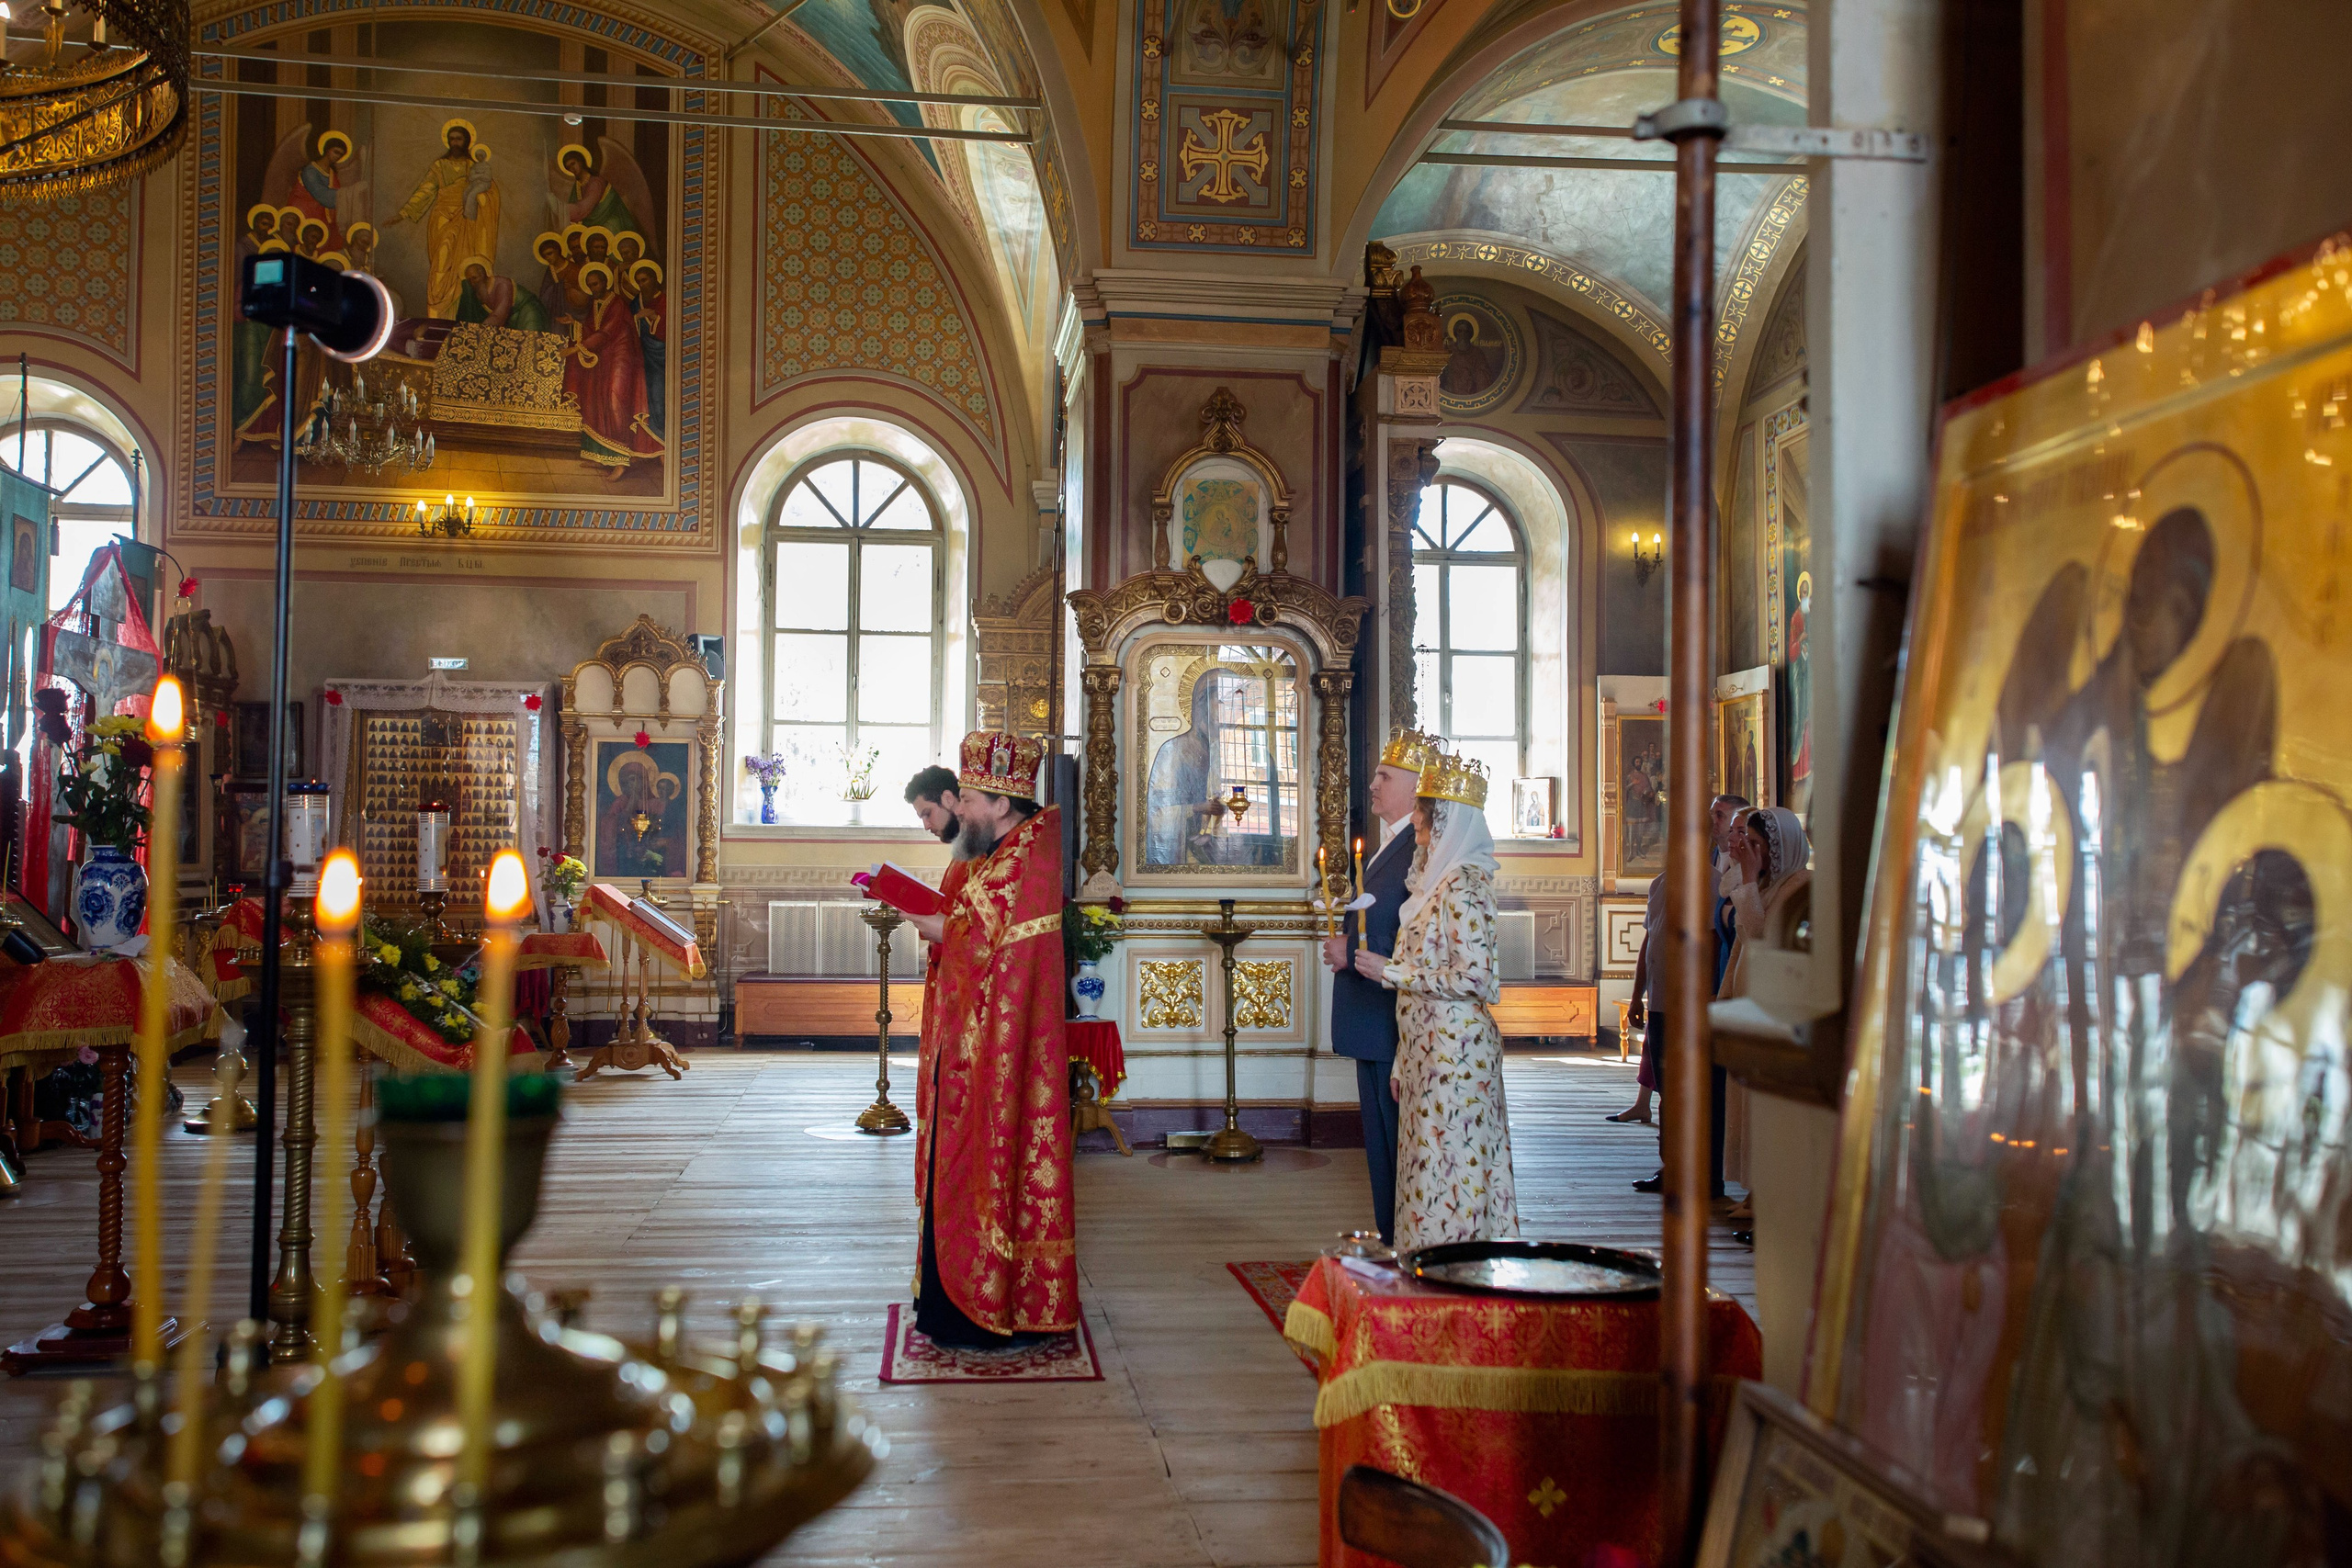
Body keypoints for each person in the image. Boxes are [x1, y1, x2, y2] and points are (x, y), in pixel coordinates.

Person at [899, 732, 1078, 1346]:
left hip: (997, 1055)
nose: (962, 808)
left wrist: (929, 922)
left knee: (991, 1164)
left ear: (1002, 803)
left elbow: (971, 942)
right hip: (984, 1044)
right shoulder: (1013, 851)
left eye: (969, 797)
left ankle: (987, 1305)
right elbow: (970, 934)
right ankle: (971, 1297)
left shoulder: (1024, 858)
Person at [1353, 751, 1517, 1252]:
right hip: (1427, 1049)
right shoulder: (1431, 885)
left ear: (1449, 820)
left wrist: (1392, 971)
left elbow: (1477, 978)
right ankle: (1423, 1264)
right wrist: (1403, 1060)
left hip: (1458, 1055)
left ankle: (1460, 1270)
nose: (1418, 819)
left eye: (1426, 810)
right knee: (1425, 1168)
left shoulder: (1465, 885)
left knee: (1455, 1170)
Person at [1318, 728, 1434, 1244]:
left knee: (1396, 1142)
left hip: (1391, 1022)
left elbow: (1417, 929)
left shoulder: (1421, 847)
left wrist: (1356, 951)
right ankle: (1392, 1237)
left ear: (1414, 788)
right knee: (1381, 1146)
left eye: (1384, 777)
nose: (1372, 785)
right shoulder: (1394, 845)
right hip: (1372, 1019)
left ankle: (1400, 1239)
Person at [1629, 793, 1745, 1194]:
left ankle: (1700, 1172)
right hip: (1660, 1004)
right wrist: (1635, 996)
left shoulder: (1716, 885)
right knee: (1666, 1091)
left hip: (1692, 1007)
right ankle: (1672, 1166)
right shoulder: (1660, 884)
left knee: (1693, 1091)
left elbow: (1714, 945)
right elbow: (1650, 942)